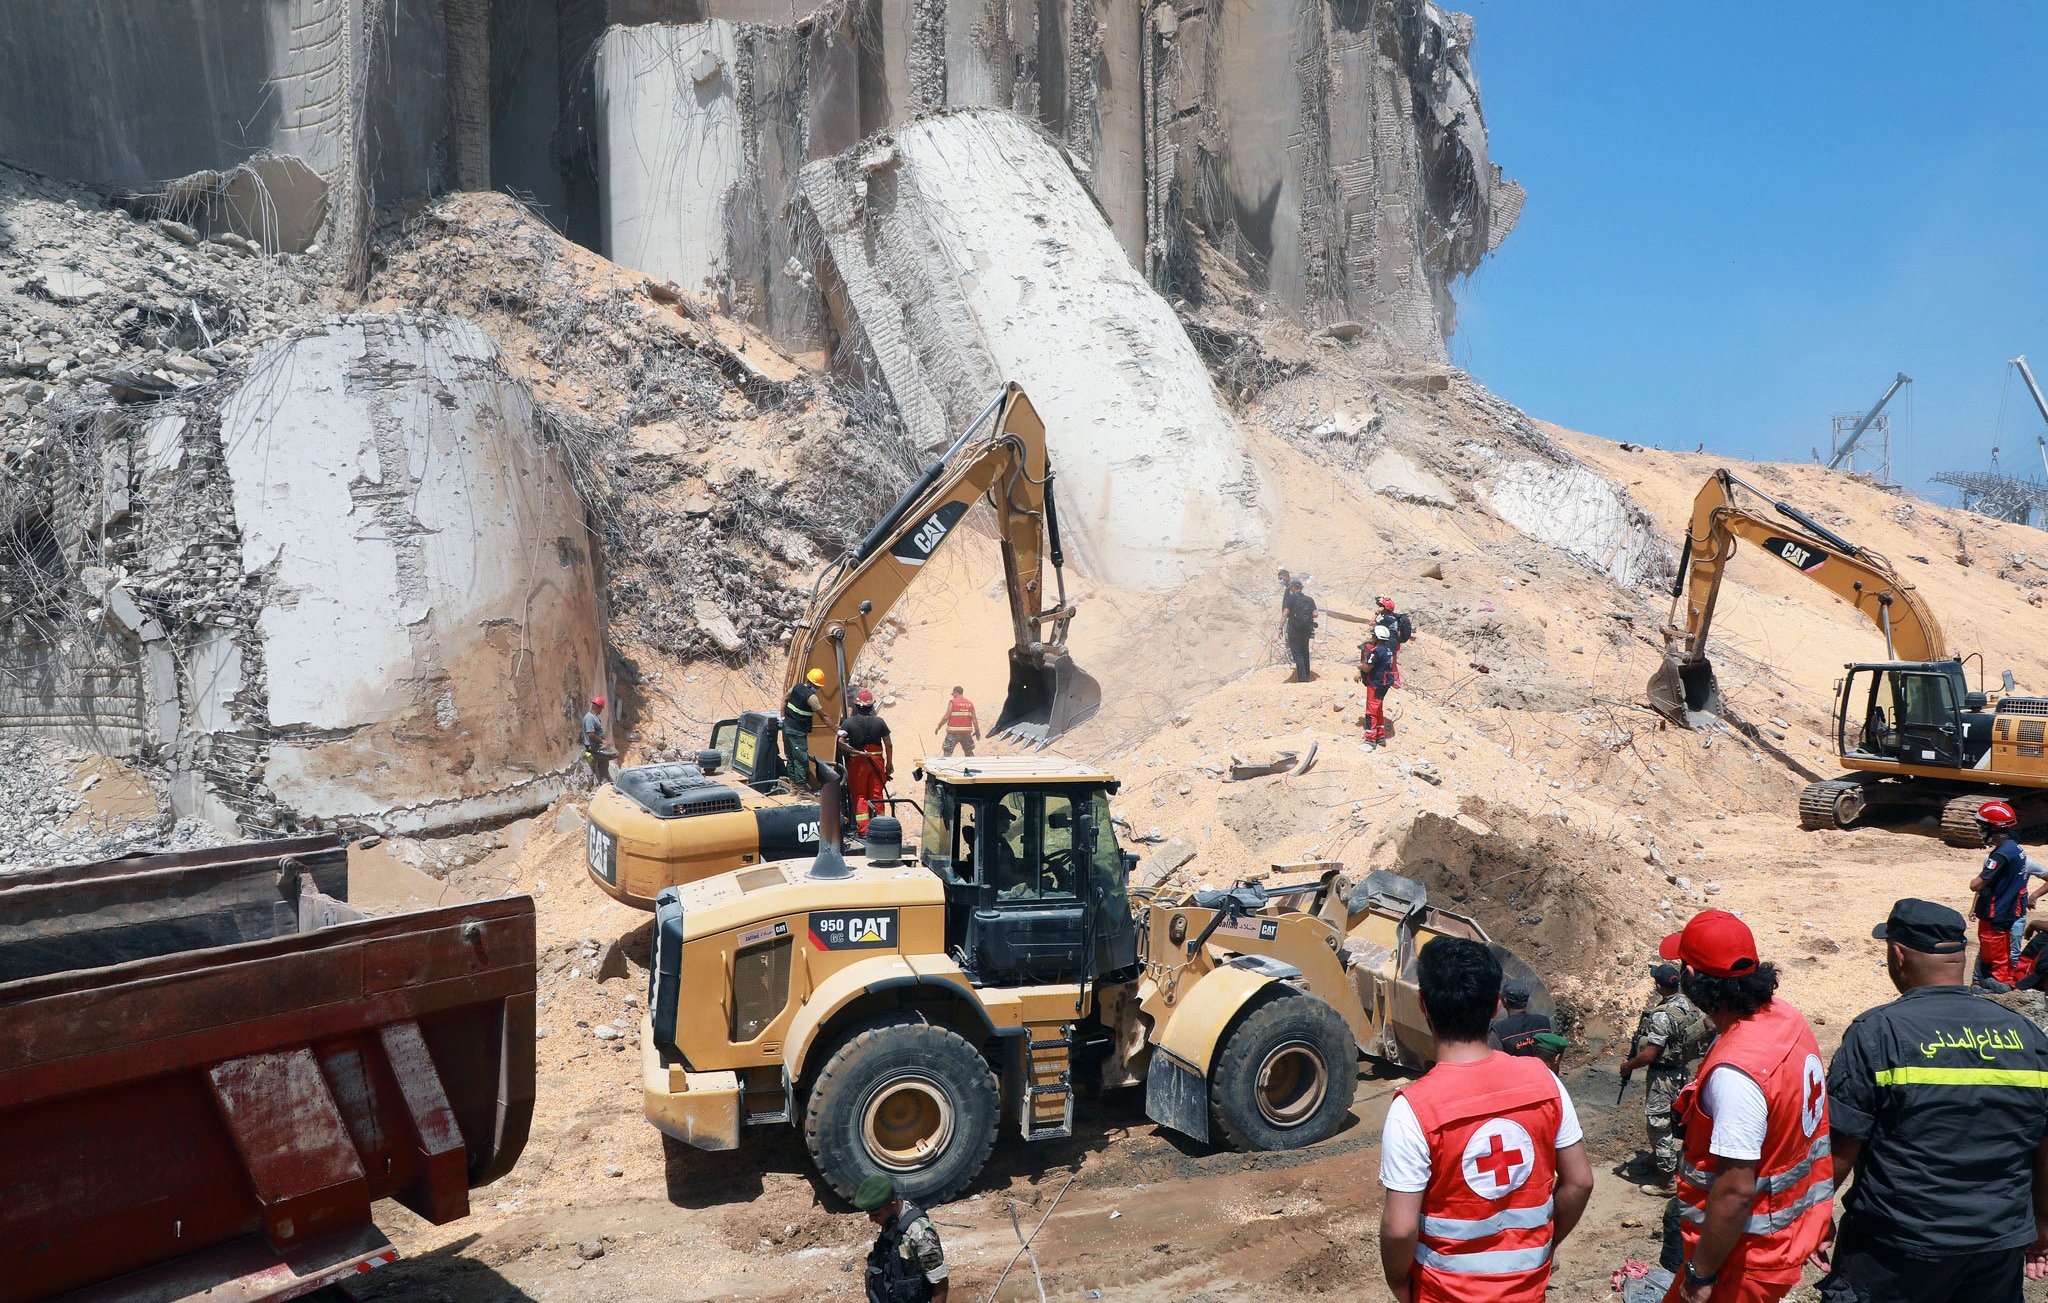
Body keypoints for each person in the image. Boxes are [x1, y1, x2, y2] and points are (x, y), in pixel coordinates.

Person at [1814, 897, 2048, 1302]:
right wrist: (2043, 1222)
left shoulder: (1877, 1033)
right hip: (1998, 1244)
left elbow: (1842, 1144)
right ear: (1959, 958)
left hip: (1897, 1248)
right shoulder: (2027, 1036)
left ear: (1898, 955)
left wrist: (1816, 1213)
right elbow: (2045, 1144)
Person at [1379, 937, 1596, 1302]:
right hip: (1528, 1291)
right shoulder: (1546, 1082)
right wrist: (1542, 1245)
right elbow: (1580, 1182)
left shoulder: (1414, 1108)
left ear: (1422, 1004)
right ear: (1495, 1007)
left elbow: (1400, 1229)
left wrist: (1398, 1283)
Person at [1658, 909, 1831, 1303]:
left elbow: (1735, 1190)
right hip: (1785, 1232)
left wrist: (1700, 1274)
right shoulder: (1787, 1018)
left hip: (1743, 1257)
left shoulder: (1737, 1074)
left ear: (1693, 980)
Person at [1621, 961, 1715, 1196]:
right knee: (1674, 1120)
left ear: (1658, 986)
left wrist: (1628, 1066)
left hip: (1663, 1078)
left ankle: (1666, 1181)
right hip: (1682, 1072)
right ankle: (1662, 1158)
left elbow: (1651, 1053)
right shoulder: (1687, 1004)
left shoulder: (1662, 1016)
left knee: (1658, 1123)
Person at [854, 1174, 948, 1303]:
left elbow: (940, 1283)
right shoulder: (891, 1218)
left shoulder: (920, 1234)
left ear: (892, 1205)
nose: (871, 1220)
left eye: (875, 1215)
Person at [1972, 800, 2028, 987]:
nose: (1981, 830)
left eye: (1983, 826)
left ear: (1994, 828)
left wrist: (1974, 882)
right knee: (2001, 954)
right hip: (2007, 911)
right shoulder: (2015, 848)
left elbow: (1977, 885)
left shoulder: (2000, 855)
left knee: (1994, 960)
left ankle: (1999, 993)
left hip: (1995, 913)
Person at [839, 688, 894, 835]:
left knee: (860, 796)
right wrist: (889, 764)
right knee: (877, 794)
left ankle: (863, 831)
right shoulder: (880, 722)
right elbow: (888, 744)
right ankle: (880, 829)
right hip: (876, 761)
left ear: (857, 706)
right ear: (871, 706)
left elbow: (841, 742)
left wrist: (855, 752)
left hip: (857, 763)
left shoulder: (848, 723)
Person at [783, 668, 827, 789]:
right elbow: (823, 716)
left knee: (791, 757)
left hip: (787, 727)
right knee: (801, 760)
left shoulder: (796, 687)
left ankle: (794, 787)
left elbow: (785, 698)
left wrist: (782, 718)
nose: (817, 689)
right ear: (811, 683)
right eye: (817, 686)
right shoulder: (811, 698)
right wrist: (836, 730)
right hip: (797, 732)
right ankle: (801, 789)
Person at [1490, 982, 1552, 1056]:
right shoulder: (1544, 1022)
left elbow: (1496, 1060)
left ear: (1505, 1001)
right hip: (1540, 1067)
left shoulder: (1499, 1030)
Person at [1361, 625, 1397, 744]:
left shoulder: (1375, 651)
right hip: (1384, 684)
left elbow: (1367, 668)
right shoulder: (1389, 651)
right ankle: (1380, 737)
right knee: (1378, 710)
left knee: (1371, 711)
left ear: (1377, 637)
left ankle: (1370, 739)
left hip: (1375, 684)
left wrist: (1359, 668)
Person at [1281, 576, 1317, 683]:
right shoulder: (1310, 600)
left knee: (1297, 653)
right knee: (1305, 651)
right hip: (1306, 630)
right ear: (1301, 588)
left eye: (1291, 587)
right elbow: (1316, 614)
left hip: (1294, 630)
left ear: (1293, 587)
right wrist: (1306, 616)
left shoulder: (1290, 599)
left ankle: (1303, 679)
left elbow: (1285, 613)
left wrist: (1280, 628)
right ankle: (1307, 675)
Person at [933, 686, 980, 757]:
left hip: (953, 733)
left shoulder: (953, 702)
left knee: (947, 753)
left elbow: (946, 716)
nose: (953, 696)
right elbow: (974, 719)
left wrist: (939, 726)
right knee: (969, 753)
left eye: (953, 694)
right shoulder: (970, 704)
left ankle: (946, 767)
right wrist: (977, 731)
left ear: (955, 693)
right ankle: (971, 766)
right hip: (966, 734)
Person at [581, 694, 615, 784]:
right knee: (613, 752)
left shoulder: (594, 718)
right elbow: (590, 734)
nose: (601, 711)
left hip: (597, 745)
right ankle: (595, 757)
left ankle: (605, 779)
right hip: (593, 746)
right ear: (599, 708)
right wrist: (602, 741)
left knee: (604, 763)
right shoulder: (589, 718)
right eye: (601, 709)